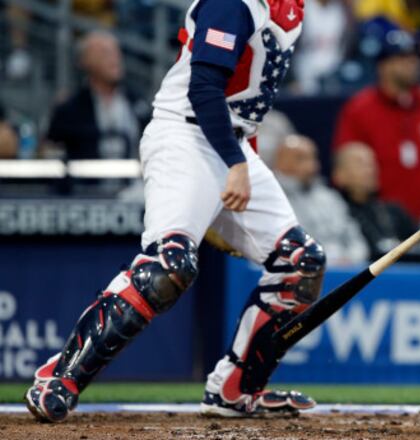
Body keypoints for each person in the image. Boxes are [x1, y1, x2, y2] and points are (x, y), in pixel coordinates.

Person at [26, 0, 323, 423]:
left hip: (233, 142)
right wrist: (236, 166)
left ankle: (236, 390)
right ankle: (60, 377)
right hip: (184, 135)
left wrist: (241, 174)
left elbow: (247, 103)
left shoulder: (289, 9)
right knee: (169, 266)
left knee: (300, 263)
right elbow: (204, 89)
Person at [334, 27, 420, 221]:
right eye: (401, 57)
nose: (411, 63)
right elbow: (347, 168)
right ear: (382, 65)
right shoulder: (360, 109)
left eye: (414, 57)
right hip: (380, 221)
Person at [45, 31, 149, 160]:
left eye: (117, 52)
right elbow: (50, 151)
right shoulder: (69, 109)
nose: (115, 59)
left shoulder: (137, 102)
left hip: (133, 172)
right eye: (105, 53)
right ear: (85, 61)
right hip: (86, 172)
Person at [274, 135, 370, 266]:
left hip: (344, 269)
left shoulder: (330, 197)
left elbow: (355, 239)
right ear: (281, 162)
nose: (310, 166)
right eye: (301, 158)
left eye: (313, 158)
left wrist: (351, 259)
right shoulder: (273, 198)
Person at [332, 142, 416, 256]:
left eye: (372, 164)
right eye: (360, 164)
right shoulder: (334, 214)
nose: (370, 171)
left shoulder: (394, 212)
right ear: (339, 174)